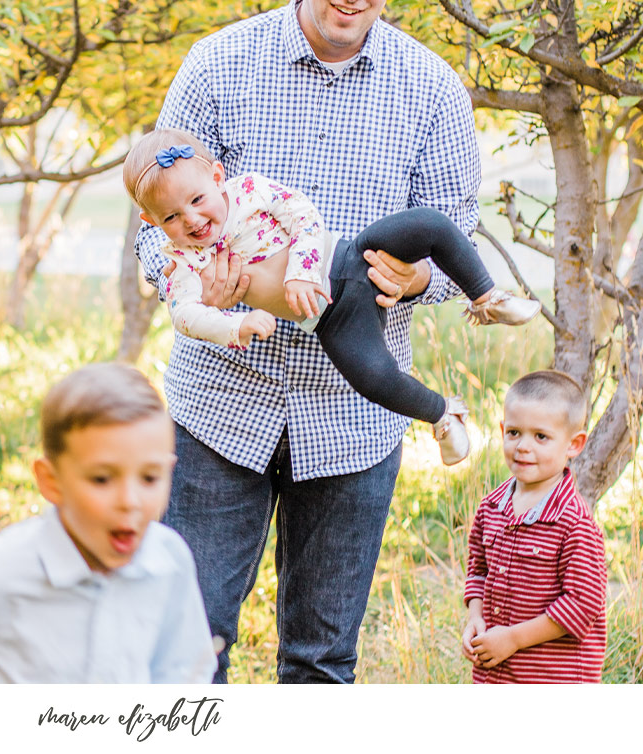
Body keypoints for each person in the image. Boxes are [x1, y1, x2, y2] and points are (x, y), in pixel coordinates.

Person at [135, 0, 483, 682]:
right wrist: (200, 289)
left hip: (353, 414)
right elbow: (154, 222)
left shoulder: (433, 86)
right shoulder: (217, 63)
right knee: (184, 648)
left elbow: (454, 233)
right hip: (219, 409)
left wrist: (416, 281)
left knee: (321, 661)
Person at [125, 128, 540, 466]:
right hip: (334, 320)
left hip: (355, 255)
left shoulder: (248, 191)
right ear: (150, 220)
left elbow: (302, 213)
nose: (193, 220)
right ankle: (443, 415)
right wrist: (236, 325)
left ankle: (485, 297)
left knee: (430, 224)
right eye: (171, 217)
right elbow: (186, 317)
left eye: (197, 200)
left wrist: (302, 272)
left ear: (217, 178)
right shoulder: (180, 261)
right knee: (374, 377)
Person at [0, 363, 216, 683]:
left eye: (149, 478)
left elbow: (185, 670)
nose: (130, 502)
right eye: (102, 479)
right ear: (51, 481)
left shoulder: (168, 562)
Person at [462, 370, 606, 683]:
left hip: (551, 677)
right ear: (502, 430)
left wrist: (512, 638)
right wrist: (475, 617)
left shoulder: (573, 522)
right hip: (494, 673)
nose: (523, 446)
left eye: (541, 436)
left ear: (574, 444)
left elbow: (582, 604)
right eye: (514, 433)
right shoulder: (491, 507)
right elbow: (478, 570)